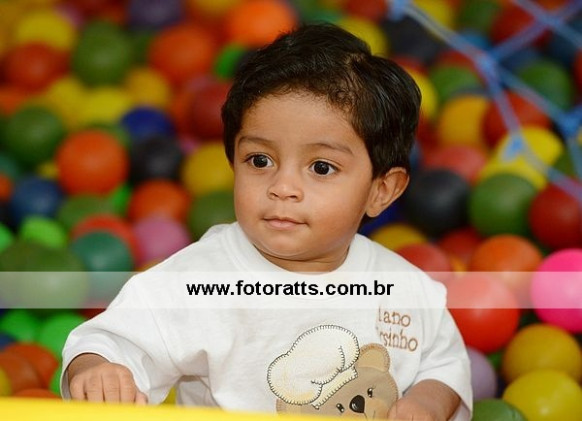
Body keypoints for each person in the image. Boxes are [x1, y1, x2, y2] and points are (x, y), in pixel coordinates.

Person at [62, 23, 472, 421]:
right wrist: (98, 369)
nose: (283, 187)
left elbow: (444, 362)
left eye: (321, 167)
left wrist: (428, 402)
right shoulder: (200, 281)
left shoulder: (407, 290)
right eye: (260, 161)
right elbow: (110, 342)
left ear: (381, 190)